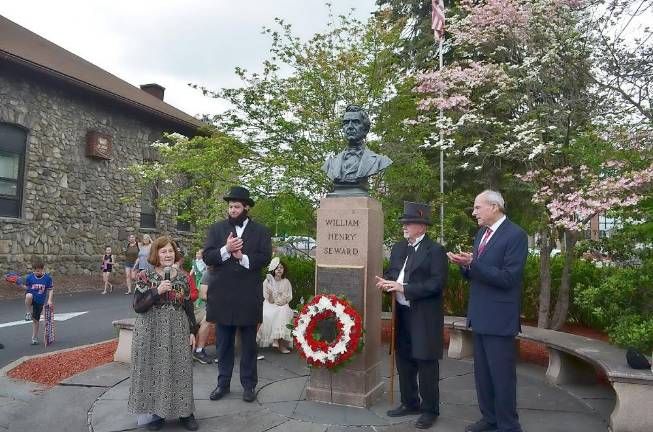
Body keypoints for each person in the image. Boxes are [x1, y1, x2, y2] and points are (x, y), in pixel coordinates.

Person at [447, 190, 528, 432]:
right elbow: (478, 273)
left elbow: (509, 278)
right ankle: (489, 418)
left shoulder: (516, 235)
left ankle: (508, 425)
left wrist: (474, 264)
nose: (474, 213)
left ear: (494, 207)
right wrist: (465, 265)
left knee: (502, 376)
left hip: (500, 318)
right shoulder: (482, 233)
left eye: (477, 207)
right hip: (479, 315)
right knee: (482, 375)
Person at [375, 202, 448, 430]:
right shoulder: (398, 248)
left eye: (409, 223)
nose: (404, 226)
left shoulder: (435, 251)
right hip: (402, 315)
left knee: (426, 363)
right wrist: (387, 283)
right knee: (404, 360)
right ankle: (410, 402)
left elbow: (436, 284)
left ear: (422, 226)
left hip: (424, 316)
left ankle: (430, 410)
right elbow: (392, 273)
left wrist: (403, 288)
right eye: (404, 223)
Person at [203, 186, 272, 403]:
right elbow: (207, 256)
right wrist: (226, 249)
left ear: (246, 208)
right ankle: (222, 384)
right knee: (223, 345)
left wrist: (242, 256)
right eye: (230, 206)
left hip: (248, 297)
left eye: (237, 206)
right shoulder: (216, 229)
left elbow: (264, 258)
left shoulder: (261, 231)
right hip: (222, 296)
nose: (232, 210)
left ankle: (249, 386)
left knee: (249, 345)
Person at [128, 236, 199, 431]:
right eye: (163, 251)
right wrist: (157, 291)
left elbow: (188, 306)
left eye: (170, 251)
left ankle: (186, 412)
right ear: (156, 254)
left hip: (177, 327)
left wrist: (193, 331)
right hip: (151, 328)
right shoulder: (145, 276)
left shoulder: (184, 277)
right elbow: (137, 306)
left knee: (181, 368)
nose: (168, 255)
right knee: (155, 370)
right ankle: (157, 412)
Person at [321, 105, 392, 194]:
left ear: (365, 129)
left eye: (355, 122)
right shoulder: (330, 163)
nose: (350, 126)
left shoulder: (379, 161)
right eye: (346, 123)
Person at [257, 257, 293, 353]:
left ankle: (279, 343)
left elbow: (287, 297)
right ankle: (276, 340)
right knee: (273, 313)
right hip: (270, 304)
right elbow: (269, 300)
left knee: (283, 310)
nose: (279, 269)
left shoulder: (286, 282)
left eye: (281, 267)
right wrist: (271, 293)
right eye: (277, 268)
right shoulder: (267, 282)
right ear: (273, 270)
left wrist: (280, 303)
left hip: (282, 304)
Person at [22, 259, 54, 345]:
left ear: (42, 269)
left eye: (38, 271)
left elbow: (50, 290)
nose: (36, 272)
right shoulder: (30, 277)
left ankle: (34, 337)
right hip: (31, 298)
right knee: (29, 295)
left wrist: (49, 300)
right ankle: (28, 312)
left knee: (36, 320)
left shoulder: (48, 278)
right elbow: (27, 288)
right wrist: (20, 284)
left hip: (40, 300)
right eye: (35, 271)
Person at [193, 268, 217, 364]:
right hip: (213, 306)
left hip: (230, 307)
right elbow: (203, 295)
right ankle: (199, 350)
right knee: (207, 320)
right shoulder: (209, 273)